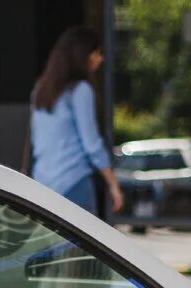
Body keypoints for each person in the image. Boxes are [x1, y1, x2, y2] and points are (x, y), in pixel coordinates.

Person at [30, 26, 123, 216]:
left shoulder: (41, 90)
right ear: (83, 56)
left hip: (42, 185)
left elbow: (36, 142)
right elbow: (92, 144)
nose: (100, 59)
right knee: (80, 245)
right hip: (74, 184)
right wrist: (113, 183)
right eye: (96, 53)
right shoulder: (81, 91)